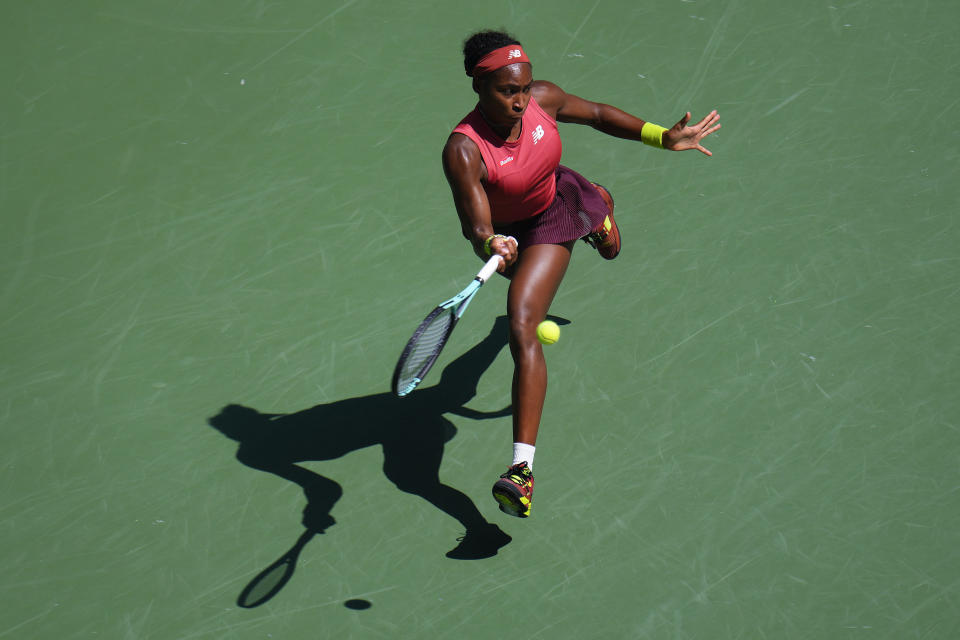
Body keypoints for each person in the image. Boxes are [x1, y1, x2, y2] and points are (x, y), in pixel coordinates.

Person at [442, 30, 720, 518]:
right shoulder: (463, 150)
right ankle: (600, 208)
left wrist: (662, 136)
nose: (521, 100)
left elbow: (594, 114)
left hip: (553, 208)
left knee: (523, 322)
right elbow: (475, 224)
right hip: (510, 235)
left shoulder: (541, 102)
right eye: (508, 91)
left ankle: (520, 472)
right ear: (478, 87)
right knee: (510, 325)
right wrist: (490, 242)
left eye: (525, 88)